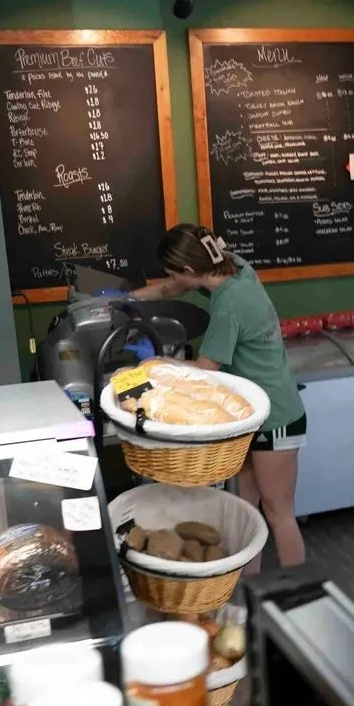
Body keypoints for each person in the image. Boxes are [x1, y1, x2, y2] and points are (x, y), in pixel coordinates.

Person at [131, 225, 306, 569]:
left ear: (190, 270)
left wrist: (155, 363)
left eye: (173, 271)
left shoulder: (229, 304)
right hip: (247, 414)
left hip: (277, 416)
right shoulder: (231, 265)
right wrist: (124, 300)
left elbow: (205, 371)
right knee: (245, 513)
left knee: (278, 512)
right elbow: (173, 286)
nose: (170, 280)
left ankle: (300, 596)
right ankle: (247, 597)